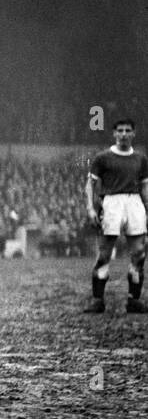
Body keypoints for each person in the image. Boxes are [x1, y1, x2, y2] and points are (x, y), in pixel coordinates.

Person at [85, 118, 148, 313]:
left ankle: (134, 300)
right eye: (119, 130)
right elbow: (90, 184)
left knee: (139, 252)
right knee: (104, 252)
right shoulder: (103, 157)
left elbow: (145, 186)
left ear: (133, 133)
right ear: (114, 134)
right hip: (112, 202)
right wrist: (90, 208)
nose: (123, 134)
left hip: (134, 202)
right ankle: (98, 300)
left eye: (127, 130)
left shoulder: (140, 159)